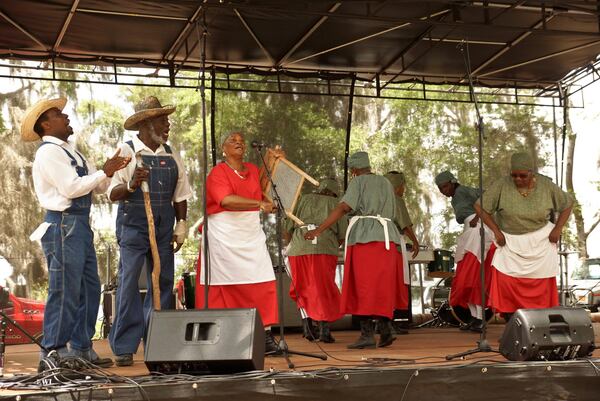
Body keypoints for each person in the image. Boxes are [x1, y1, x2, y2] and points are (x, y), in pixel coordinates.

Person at [22, 97, 129, 370]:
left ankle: (81, 348)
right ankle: (52, 352)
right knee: (65, 289)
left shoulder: (71, 152)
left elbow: (97, 188)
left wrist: (108, 172)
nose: (66, 117)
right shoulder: (49, 152)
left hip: (78, 224)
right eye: (59, 115)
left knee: (89, 288)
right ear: (45, 124)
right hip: (63, 224)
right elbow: (71, 188)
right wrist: (102, 172)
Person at [108, 96, 192, 367]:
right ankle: (124, 346)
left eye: (167, 120)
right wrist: (132, 185)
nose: (167, 125)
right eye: (161, 120)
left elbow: (180, 195)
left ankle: (159, 340)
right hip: (133, 226)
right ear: (145, 124)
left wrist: (181, 224)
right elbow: (112, 193)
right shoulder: (126, 151)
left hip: (164, 227)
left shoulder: (171, 153)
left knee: (164, 282)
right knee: (129, 282)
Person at [305, 152, 407, 349]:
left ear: (353, 170)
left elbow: (343, 207)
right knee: (381, 285)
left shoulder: (358, 182)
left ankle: (367, 335)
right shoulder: (385, 182)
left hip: (365, 238)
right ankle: (386, 328)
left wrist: (319, 229)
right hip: (388, 239)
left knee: (362, 286)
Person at [194, 131, 279, 354]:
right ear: (223, 148)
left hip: (250, 233)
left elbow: (261, 187)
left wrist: (272, 160)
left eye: (241, 141)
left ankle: (266, 335)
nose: (239, 143)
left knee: (262, 280)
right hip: (223, 235)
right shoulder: (217, 172)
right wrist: (260, 205)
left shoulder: (251, 169)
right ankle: (219, 338)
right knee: (224, 286)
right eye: (233, 141)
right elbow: (226, 200)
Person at [474, 152, 573, 319]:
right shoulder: (502, 185)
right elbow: (480, 206)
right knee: (506, 284)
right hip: (509, 241)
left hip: (541, 240)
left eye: (522, 175)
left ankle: (538, 325)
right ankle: (513, 327)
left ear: (532, 173)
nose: (518, 179)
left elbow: (567, 203)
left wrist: (558, 229)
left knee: (540, 284)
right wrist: (496, 231)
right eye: (514, 175)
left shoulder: (546, 185)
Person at [284, 178, 347, 343]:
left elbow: (287, 227)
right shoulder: (336, 203)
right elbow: (342, 234)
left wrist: (293, 243)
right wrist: (331, 244)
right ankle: (324, 330)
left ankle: (308, 329)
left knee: (301, 287)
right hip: (324, 248)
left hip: (299, 247)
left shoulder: (303, 199)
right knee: (322, 287)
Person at [435, 170, 493, 332]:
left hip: (477, 232)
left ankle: (480, 319)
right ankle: (475, 318)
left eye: (445, 186)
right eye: (440, 189)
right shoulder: (456, 197)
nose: (443, 191)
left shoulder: (463, 190)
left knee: (472, 277)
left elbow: (489, 198)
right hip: (470, 232)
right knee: (464, 280)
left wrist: (477, 217)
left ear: (453, 182)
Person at [384, 171, 419, 333]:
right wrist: (415, 241)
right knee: (394, 283)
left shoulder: (379, 199)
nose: (403, 190)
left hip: (378, 245)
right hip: (393, 243)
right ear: (397, 187)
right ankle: (388, 323)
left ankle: (381, 322)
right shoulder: (396, 200)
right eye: (402, 186)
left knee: (383, 284)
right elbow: (404, 224)